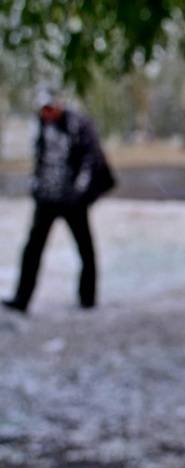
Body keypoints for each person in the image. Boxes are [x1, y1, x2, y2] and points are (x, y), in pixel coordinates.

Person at [2, 88, 115, 314]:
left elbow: (90, 160)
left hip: (72, 200)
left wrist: (79, 194)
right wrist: (36, 186)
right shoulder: (42, 126)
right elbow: (40, 159)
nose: (47, 113)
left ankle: (87, 299)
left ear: (59, 106)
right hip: (47, 198)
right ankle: (22, 298)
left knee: (85, 248)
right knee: (33, 248)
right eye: (43, 110)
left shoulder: (78, 125)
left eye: (50, 109)